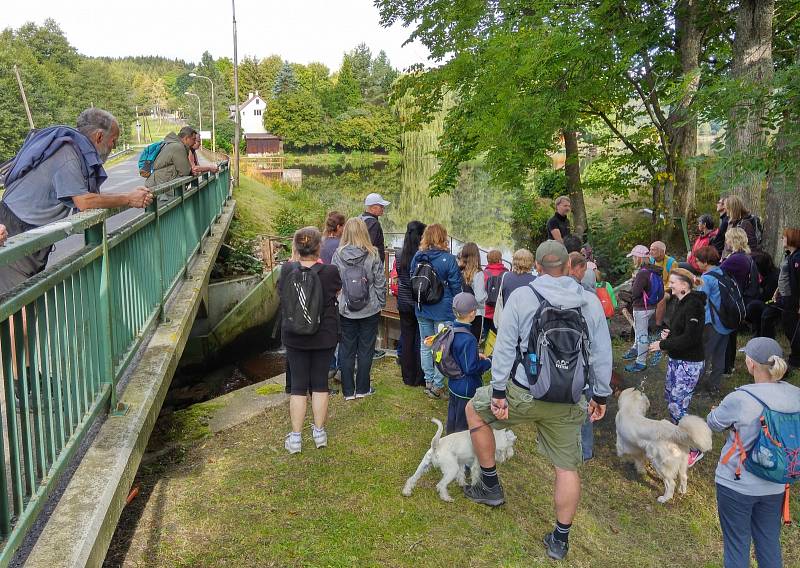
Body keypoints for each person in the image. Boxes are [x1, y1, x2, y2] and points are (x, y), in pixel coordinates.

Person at [463, 240, 612, 561]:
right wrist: (600, 394)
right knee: (566, 468)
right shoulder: (589, 302)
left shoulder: (523, 296)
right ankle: (559, 540)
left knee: (473, 410)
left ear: (539, 268)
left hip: (523, 391)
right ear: (569, 267)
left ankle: (489, 485)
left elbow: (503, 347)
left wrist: (499, 391)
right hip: (569, 398)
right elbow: (601, 353)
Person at [0, 108, 153, 293]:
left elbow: (87, 196)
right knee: (17, 305)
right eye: (114, 140)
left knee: (24, 300)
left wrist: (130, 195)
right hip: (14, 228)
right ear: (98, 136)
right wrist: (128, 199)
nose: (114, 145)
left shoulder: (75, 150)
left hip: (26, 227)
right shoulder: (68, 153)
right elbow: (84, 201)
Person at [707, 337, 800, 568]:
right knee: (769, 543)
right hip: (777, 484)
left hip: (737, 485)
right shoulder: (796, 394)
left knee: (737, 545)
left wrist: (717, 411)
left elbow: (713, 423)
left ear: (751, 364)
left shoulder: (741, 397)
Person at [279, 227, 342, 454]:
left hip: (295, 336)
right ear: (319, 247)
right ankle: (319, 433)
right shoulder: (331, 271)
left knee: (298, 387)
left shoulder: (287, 269)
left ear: (296, 248)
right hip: (324, 335)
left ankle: (295, 439)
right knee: (319, 384)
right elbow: (335, 294)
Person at [648, 269, 707, 460]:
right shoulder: (681, 302)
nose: (669, 285)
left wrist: (662, 344)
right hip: (677, 360)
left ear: (684, 285)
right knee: (672, 398)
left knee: (677, 404)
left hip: (688, 363)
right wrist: (670, 335)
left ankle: (694, 447)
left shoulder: (695, 305)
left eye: (673, 282)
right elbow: (681, 332)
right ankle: (677, 438)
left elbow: (691, 338)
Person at [331, 218, 386, 400]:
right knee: (366, 349)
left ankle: (348, 391)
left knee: (347, 349)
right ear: (364, 232)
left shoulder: (338, 254)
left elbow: (335, 281)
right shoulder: (373, 254)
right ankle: (363, 388)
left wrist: (339, 300)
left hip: (347, 310)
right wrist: (381, 303)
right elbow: (380, 282)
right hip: (369, 308)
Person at [411, 224, 463, 399]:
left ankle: (429, 381)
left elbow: (412, 279)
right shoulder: (448, 259)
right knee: (441, 347)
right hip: (444, 310)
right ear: (443, 238)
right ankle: (438, 386)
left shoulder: (418, 256)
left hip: (422, 307)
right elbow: (456, 285)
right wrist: (459, 306)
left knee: (425, 346)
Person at [446, 293, 491, 434]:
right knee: (463, 425)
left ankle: (449, 441)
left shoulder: (452, 328)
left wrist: (474, 355)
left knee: (452, 417)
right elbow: (470, 368)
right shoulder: (468, 338)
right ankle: (459, 449)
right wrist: (488, 363)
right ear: (472, 313)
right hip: (465, 389)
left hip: (454, 383)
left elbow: (456, 352)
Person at [757, 228, 800, 371]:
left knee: (792, 328)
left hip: (793, 300)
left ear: (792, 239)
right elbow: (784, 276)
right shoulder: (789, 255)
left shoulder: (797, 258)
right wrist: (777, 291)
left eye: (784, 237)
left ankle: (796, 359)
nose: (782, 239)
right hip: (784, 297)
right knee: (786, 325)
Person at [695, 246, 735, 394]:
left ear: (705, 262)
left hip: (711, 323)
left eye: (698, 261)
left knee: (703, 356)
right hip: (726, 322)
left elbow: (701, 302)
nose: (696, 264)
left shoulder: (706, 278)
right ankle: (714, 386)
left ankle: (696, 386)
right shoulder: (722, 273)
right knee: (720, 355)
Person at [623, 245, 664, 372]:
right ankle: (636, 349)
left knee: (642, 334)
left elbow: (635, 293)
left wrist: (634, 282)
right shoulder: (654, 271)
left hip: (641, 308)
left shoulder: (642, 274)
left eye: (634, 257)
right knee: (640, 329)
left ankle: (640, 362)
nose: (633, 260)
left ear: (639, 258)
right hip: (651, 306)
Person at [396, 221, 427, 387]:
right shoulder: (423, 255)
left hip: (403, 301)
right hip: (418, 301)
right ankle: (419, 375)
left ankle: (407, 377)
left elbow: (401, 276)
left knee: (407, 338)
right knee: (420, 339)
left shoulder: (400, 253)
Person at [721, 227, 754, 374]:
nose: (726, 241)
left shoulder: (736, 258)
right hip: (738, 298)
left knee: (728, 334)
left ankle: (726, 367)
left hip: (733, 299)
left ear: (733, 240)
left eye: (728, 238)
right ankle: (729, 365)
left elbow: (719, 273)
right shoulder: (744, 255)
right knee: (731, 334)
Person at [745, 251, 780, 336]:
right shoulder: (769, 274)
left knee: (753, 306)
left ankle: (757, 332)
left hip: (772, 304)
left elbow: (768, 298)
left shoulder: (773, 278)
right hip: (767, 302)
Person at [457, 242, 487, 341]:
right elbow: (479, 297)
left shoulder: (459, 271)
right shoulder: (478, 274)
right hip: (474, 314)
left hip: (460, 313)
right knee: (473, 342)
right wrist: (486, 295)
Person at [482, 249, 507, 338]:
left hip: (486, 311)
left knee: (487, 335)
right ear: (500, 260)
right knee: (499, 336)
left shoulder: (483, 273)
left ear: (488, 260)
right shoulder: (506, 274)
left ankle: (486, 350)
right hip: (500, 311)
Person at [360, 192, 390, 264]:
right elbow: (370, 246)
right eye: (381, 206)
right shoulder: (373, 223)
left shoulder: (360, 218)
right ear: (373, 208)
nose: (383, 208)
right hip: (372, 265)